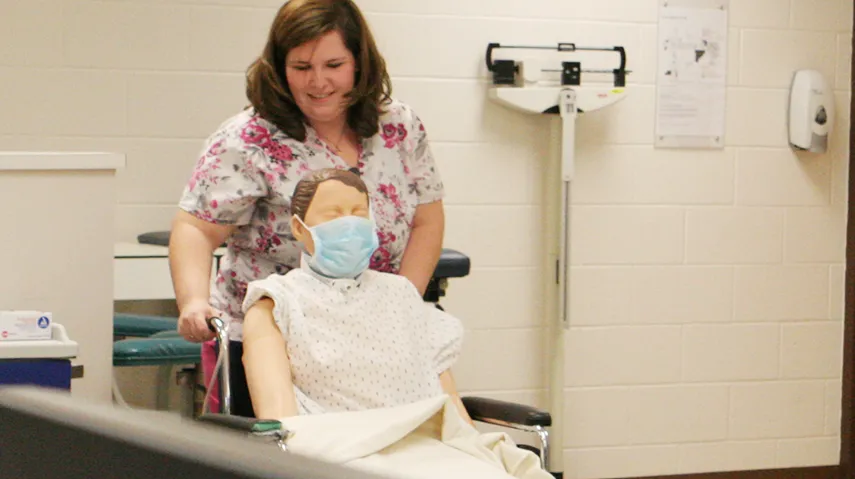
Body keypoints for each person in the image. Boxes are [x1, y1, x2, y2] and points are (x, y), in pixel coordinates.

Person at [168, 0, 446, 411]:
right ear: (279, 68)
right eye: (301, 68)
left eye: (334, 65)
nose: (318, 82)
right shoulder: (249, 139)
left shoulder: (398, 127)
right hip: (271, 335)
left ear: (359, 63)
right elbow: (197, 228)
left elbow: (427, 220)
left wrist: (401, 304)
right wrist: (192, 301)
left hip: (373, 336)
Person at [240, 168, 471, 424]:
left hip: (432, 447)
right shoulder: (276, 303)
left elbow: (452, 408)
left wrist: (478, 452)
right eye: (333, 215)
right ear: (298, 227)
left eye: (359, 214)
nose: (349, 224)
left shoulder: (401, 294)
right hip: (341, 455)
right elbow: (279, 419)